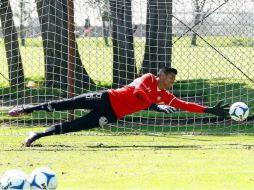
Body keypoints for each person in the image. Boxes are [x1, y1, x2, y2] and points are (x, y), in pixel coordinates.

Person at [9, 67, 229, 147]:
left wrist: (208, 110)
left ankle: (36, 135)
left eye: (173, 79)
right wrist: (155, 107)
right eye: (169, 77)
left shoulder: (165, 94)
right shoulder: (149, 79)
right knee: (66, 104)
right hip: (105, 98)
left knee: (73, 126)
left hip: (112, 114)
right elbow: (138, 93)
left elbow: (185, 105)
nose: (171, 81)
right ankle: (25, 109)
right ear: (160, 74)